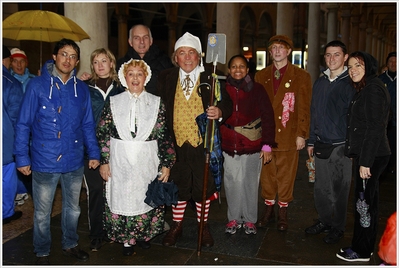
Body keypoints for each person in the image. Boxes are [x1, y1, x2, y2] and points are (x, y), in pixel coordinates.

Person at [14, 38, 100, 265]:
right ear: (54, 56)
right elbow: (23, 124)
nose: (67, 60)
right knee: (42, 212)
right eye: (63, 54)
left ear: (77, 61)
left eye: (72, 56)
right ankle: (41, 249)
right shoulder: (37, 86)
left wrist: (94, 153)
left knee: (73, 209)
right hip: (44, 160)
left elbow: (88, 124)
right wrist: (22, 157)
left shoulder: (81, 89)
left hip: (73, 159)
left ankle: (70, 243)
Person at [156, 32, 233, 247]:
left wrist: (219, 111)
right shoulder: (166, 77)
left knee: (203, 187)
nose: (187, 57)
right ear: (176, 57)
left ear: (199, 56)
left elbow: (227, 104)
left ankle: (203, 226)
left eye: (192, 53)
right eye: (182, 53)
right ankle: (177, 225)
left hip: (203, 145)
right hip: (176, 145)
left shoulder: (211, 77)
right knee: (179, 186)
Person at [97, 59, 176, 256]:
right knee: (123, 197)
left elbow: (164, 135)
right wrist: (105, 161)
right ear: (125, 77)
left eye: (139, 74)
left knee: (144, 197)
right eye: (130, 74)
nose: (135, 78)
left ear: (146, 77)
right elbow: (103, 132)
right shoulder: (114, 102)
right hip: (120, 160)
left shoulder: (156, 102)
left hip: (146, 160)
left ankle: (143, 236)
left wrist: (166, 164)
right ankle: (126, 240)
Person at [336, 51, 391, 262]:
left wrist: (365, 161)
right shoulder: (368, 88)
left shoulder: (373, 90)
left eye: (358, 65)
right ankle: (361, 246)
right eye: (350, 67)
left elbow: (375, 128)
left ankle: (362, 250)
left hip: (372, 156)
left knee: (364, 205)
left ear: (368, 66)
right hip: (368, 154)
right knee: (366, 203)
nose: (353, 71)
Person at [254, 35, 312, 231]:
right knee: (267, 175)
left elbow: (304, 107)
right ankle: (268, 207)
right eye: (273, 48)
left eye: (281, 47)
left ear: (288, 51)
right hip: (266, 136)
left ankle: (283, 210)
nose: (277, 51)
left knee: (287, 175)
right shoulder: (260, 75)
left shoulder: (301, 76)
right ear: (269, 53)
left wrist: (302, 134)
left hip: (288, 133)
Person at [305, 40, 355, 244]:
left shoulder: (350, 84)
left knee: (340, 189)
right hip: (321, 144)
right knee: (321, 187)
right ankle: (325, 220)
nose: (331, 59)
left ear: (345, 57)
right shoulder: (320, 82)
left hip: (341, 146)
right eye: (328, 55)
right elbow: (313, 113)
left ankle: (338, 227)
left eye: (336, 55)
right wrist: (310, 140)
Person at [221, 54, 276, 236]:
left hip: (252, 144)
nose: (238, 70)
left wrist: (267, 145)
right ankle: (234, 218)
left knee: (251, 182)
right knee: (232, 182)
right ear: (229, 70)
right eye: (234, 66)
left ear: (247, 70)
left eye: (241, 66)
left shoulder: (257, 89)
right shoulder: (222, 89)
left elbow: (268, 116)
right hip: (229, 145)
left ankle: (250, 219)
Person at [83, 48, 125, 252]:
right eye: (96, 61)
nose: (100, 65)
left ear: (111, 63)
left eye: (104, 61)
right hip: (92, 147)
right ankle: (97, 233)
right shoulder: (85, 87)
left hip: (117, 148)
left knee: (115, 191)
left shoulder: (122, 87)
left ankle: (114, 230)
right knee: (96, 191)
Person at [9, 47, 35, 206]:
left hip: (31, 131)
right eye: (15, 61)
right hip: (12, 129)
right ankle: (18, 191)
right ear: (10, 63)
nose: (19, 65)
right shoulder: (7, 81)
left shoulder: (33, 80)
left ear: (26, 63)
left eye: (22, 61)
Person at [116, 24, 173, 95]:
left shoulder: (165, 63)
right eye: (136, 38)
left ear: (151, 40)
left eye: (145, 37)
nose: (142, 41)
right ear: (130, 42)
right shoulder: (121, 65)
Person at [2, 45, 24, 224]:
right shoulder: (10, 83)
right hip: (5, 142)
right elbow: (17, 119)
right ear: (7, 60)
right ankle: (6, 212)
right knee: (6, 177)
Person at [378, 52, 396, 173]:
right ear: (387, 64)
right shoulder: (380, 80)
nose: (393, 64)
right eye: (391, 61)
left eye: (396, 62)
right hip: (384, 120)